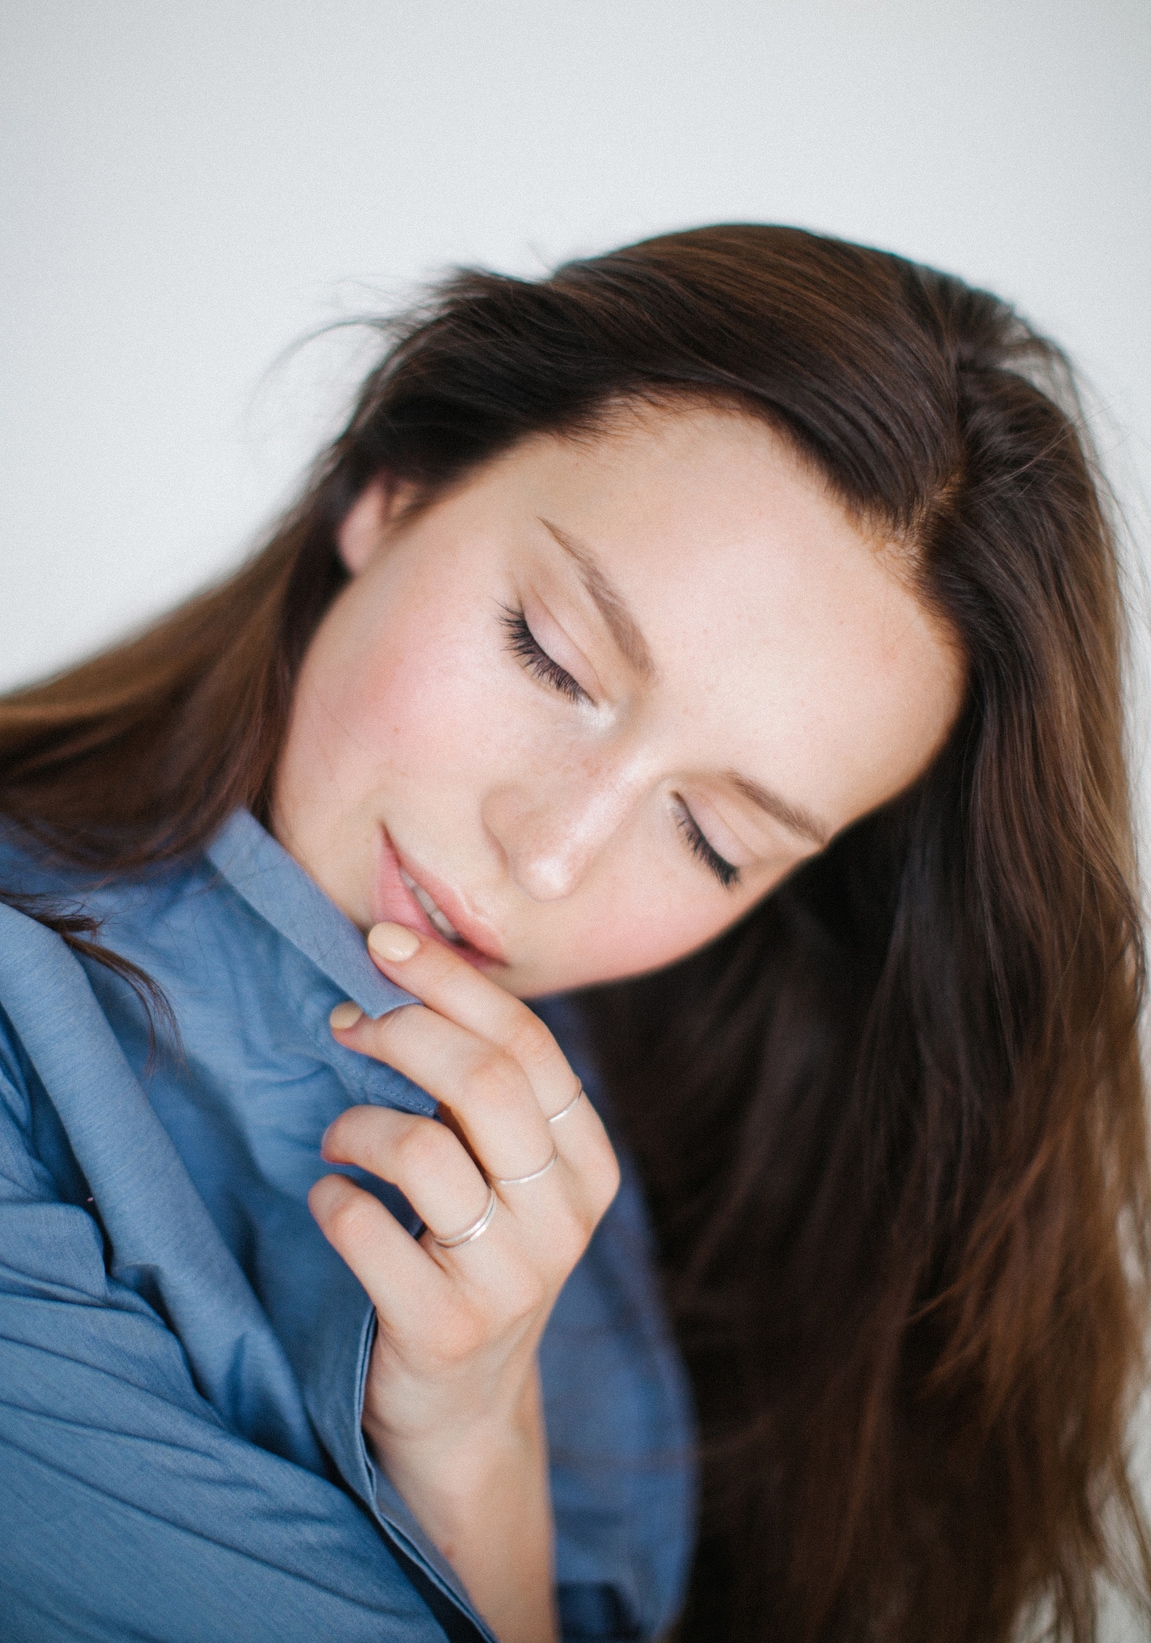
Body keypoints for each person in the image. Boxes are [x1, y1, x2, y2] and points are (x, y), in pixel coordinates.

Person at [0, 224, 1146, 1643]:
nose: (544, 855)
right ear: (397, 483)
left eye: (714, 838)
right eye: (552, 655)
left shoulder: (682, 1179)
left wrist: (478, 1448)